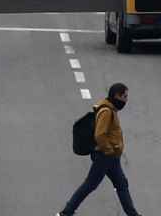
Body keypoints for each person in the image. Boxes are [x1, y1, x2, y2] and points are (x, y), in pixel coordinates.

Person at [59, 82, 142, 216]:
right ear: (116, 96)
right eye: (124, 96)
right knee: (90, 185)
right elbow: (99, 134)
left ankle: (133, 214)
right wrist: (109, 150)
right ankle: (66, 212)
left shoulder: (111, 109)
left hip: (112, 158)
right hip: (105, 156)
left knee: (121, 184)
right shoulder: (107, 111)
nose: (126, 100)